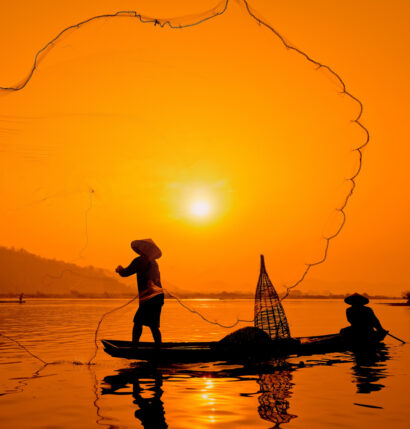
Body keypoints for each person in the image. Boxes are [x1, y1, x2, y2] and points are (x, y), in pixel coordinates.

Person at [116, 239, 164, 348]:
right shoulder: (154, 263)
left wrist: (119, 270)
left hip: (150, 298)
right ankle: (158, 348)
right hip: (157, 298)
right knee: (153, 325)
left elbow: (126, 273)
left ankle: (134, 347)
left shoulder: (140, 261)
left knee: (138, 322)